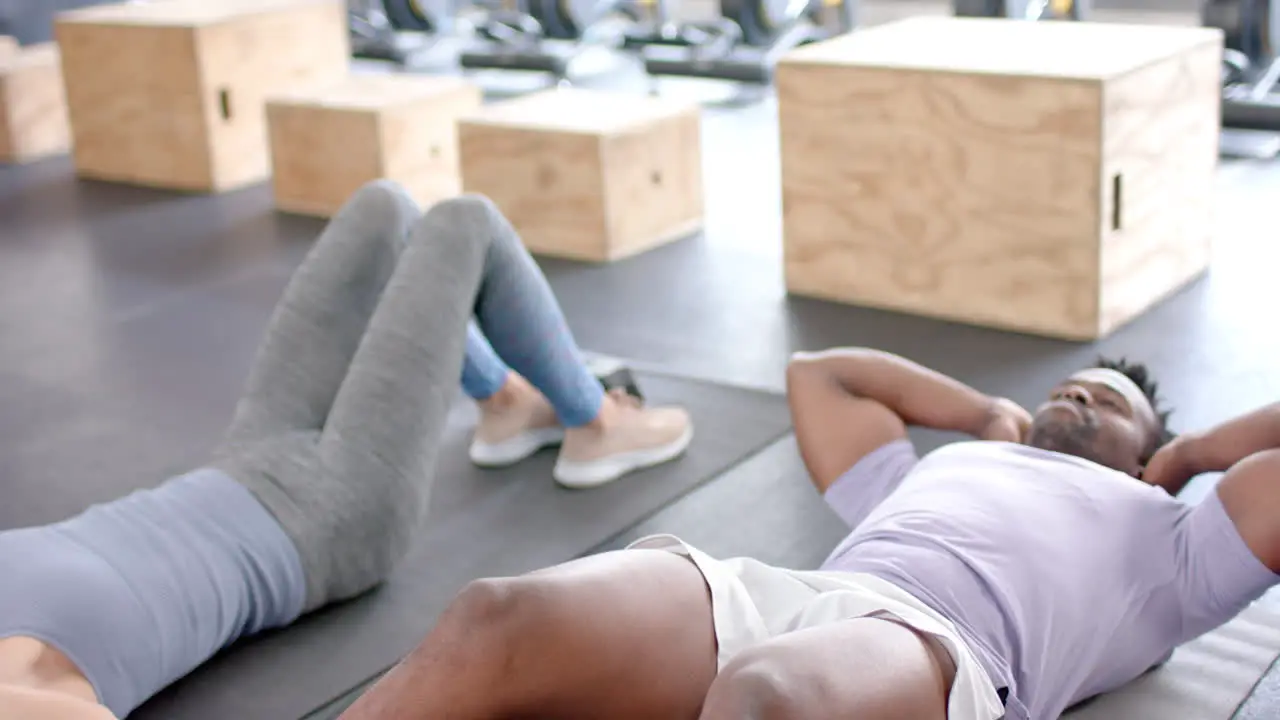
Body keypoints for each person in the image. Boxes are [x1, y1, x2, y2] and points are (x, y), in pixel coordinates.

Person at [0, 182, 692, 719]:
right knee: (464, 222)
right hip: (330, 517)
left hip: (243, 458)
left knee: (384, 209)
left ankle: (507, 403)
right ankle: (598, 422)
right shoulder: (28, 688)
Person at [338, 348, 1280, 720]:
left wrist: (1198, 453)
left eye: (1104, 402)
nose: (1073, 394)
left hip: (940, 650)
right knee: (495, 617)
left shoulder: (1178, 542)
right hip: (776, 591)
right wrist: (985, 413)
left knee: (766, 697)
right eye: (1065, 385)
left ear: (1143, 452)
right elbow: (819, 374)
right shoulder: (929, 471)